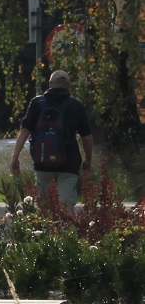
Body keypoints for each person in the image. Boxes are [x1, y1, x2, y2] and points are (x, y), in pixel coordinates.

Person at [10, 70, 96, 209]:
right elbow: (86, 137)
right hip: (69, 164)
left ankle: (46, 222)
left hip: (42, 162)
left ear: (50, 84)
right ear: (68, 85)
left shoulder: (36, 103)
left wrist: (15, 157)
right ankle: (64, 222)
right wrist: (88, 160)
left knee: (44, 207)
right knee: (65, 208)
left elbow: (25, 131)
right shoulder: (76, 105)